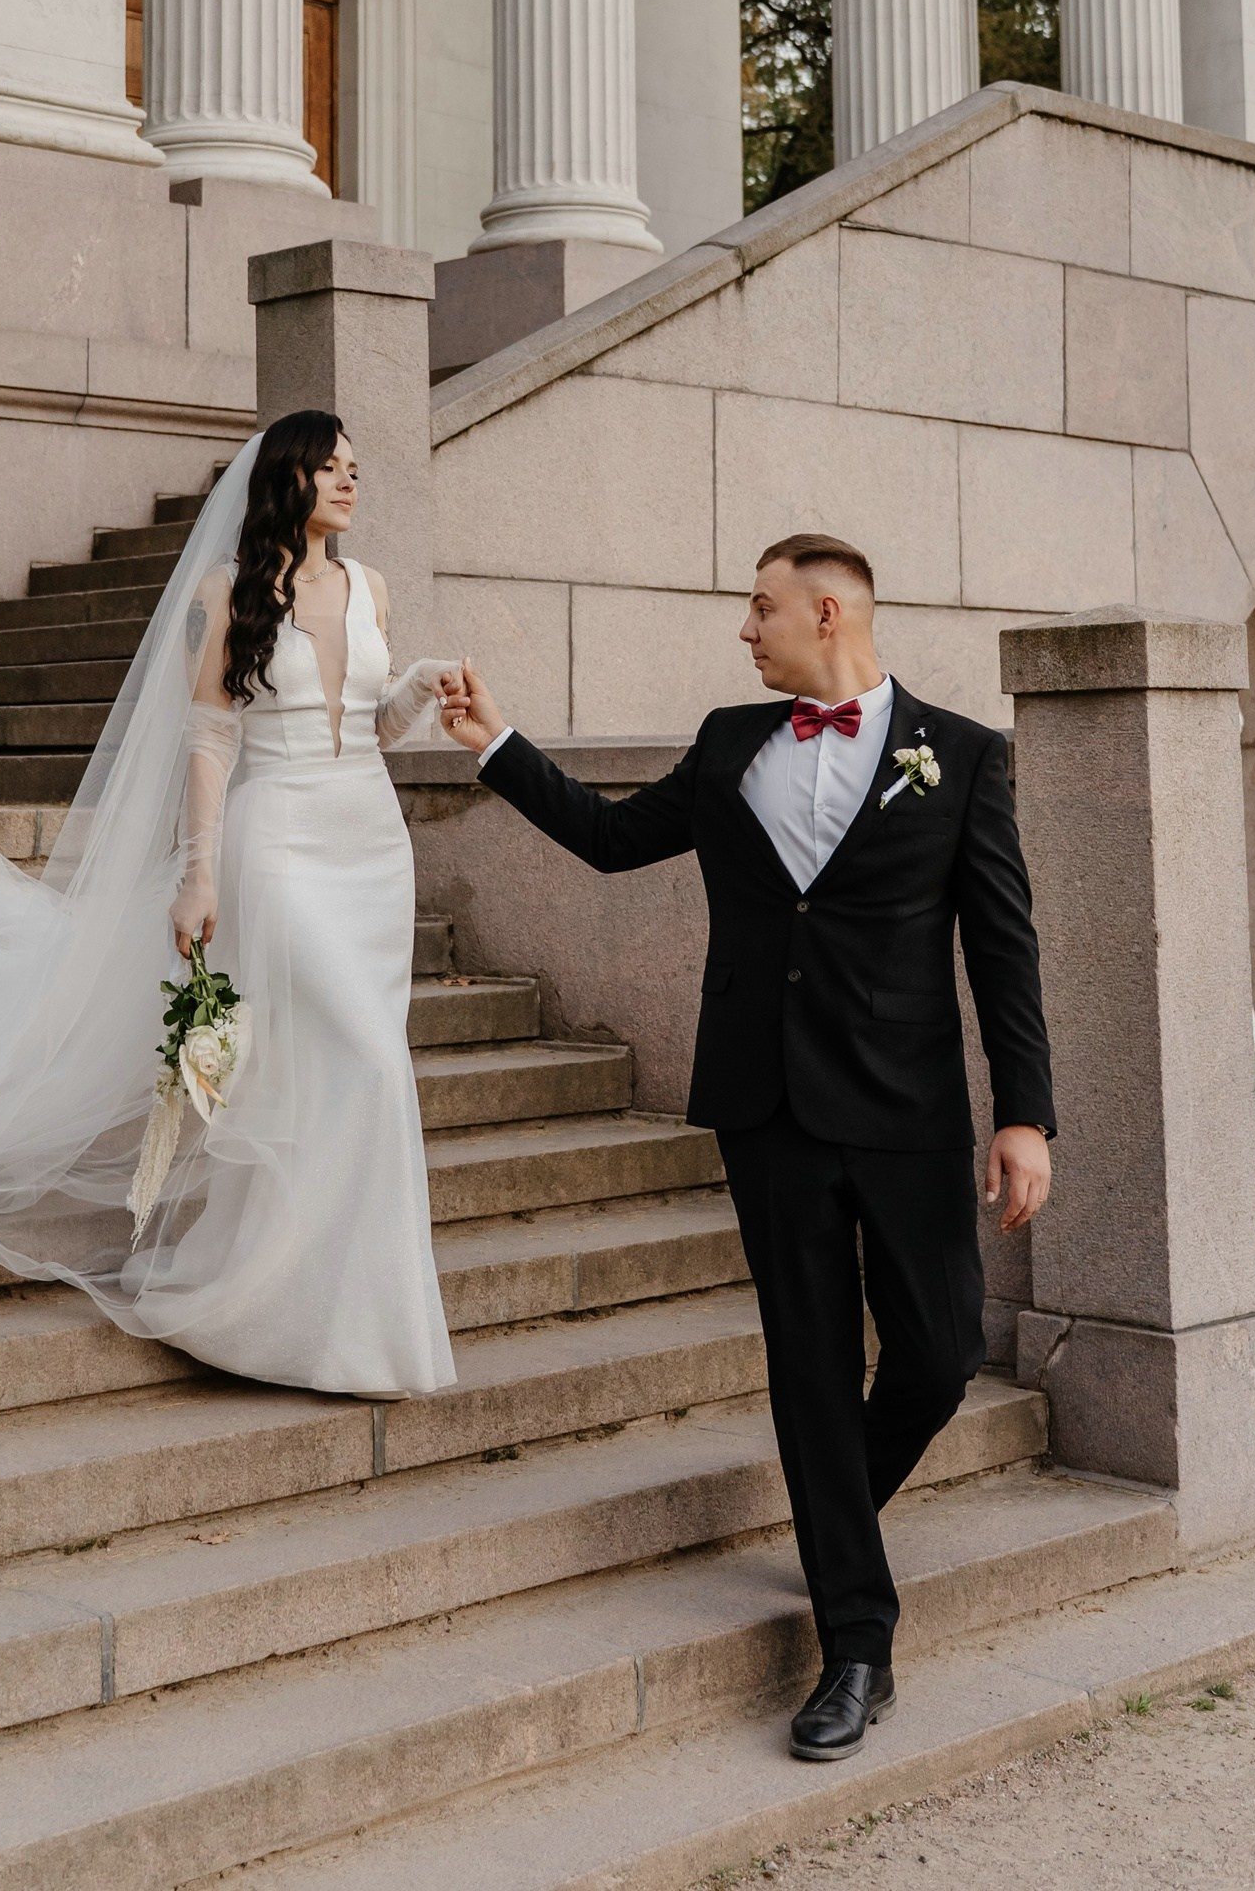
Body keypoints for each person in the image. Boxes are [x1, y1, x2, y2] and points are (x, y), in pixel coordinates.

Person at [436, 530, 1055, 1760]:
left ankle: (839, 1514)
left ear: (828, 614)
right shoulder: (730, 743)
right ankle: (857, 1646)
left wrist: (1024, 1113)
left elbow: (1003, 947)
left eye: (758, 607)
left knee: (935, 1354)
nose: (742, 627)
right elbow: (613, 843)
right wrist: (496, 745)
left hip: (908, 1112)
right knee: (810, 1366)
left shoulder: (963, 758)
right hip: (766, 1110)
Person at [0, 414, 457, 1400]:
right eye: (330, 465)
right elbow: (212, 742)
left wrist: (421, 689)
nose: (351, 481)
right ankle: (281, 1302)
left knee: (331, 1075)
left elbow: (368, 732)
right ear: (284, 479)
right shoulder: (228, 594)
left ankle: (342, 1322)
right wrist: (199, 874)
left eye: (358, 466)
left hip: (371, 854)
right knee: (370, 1064)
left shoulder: (371, 588)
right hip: (281, 850)